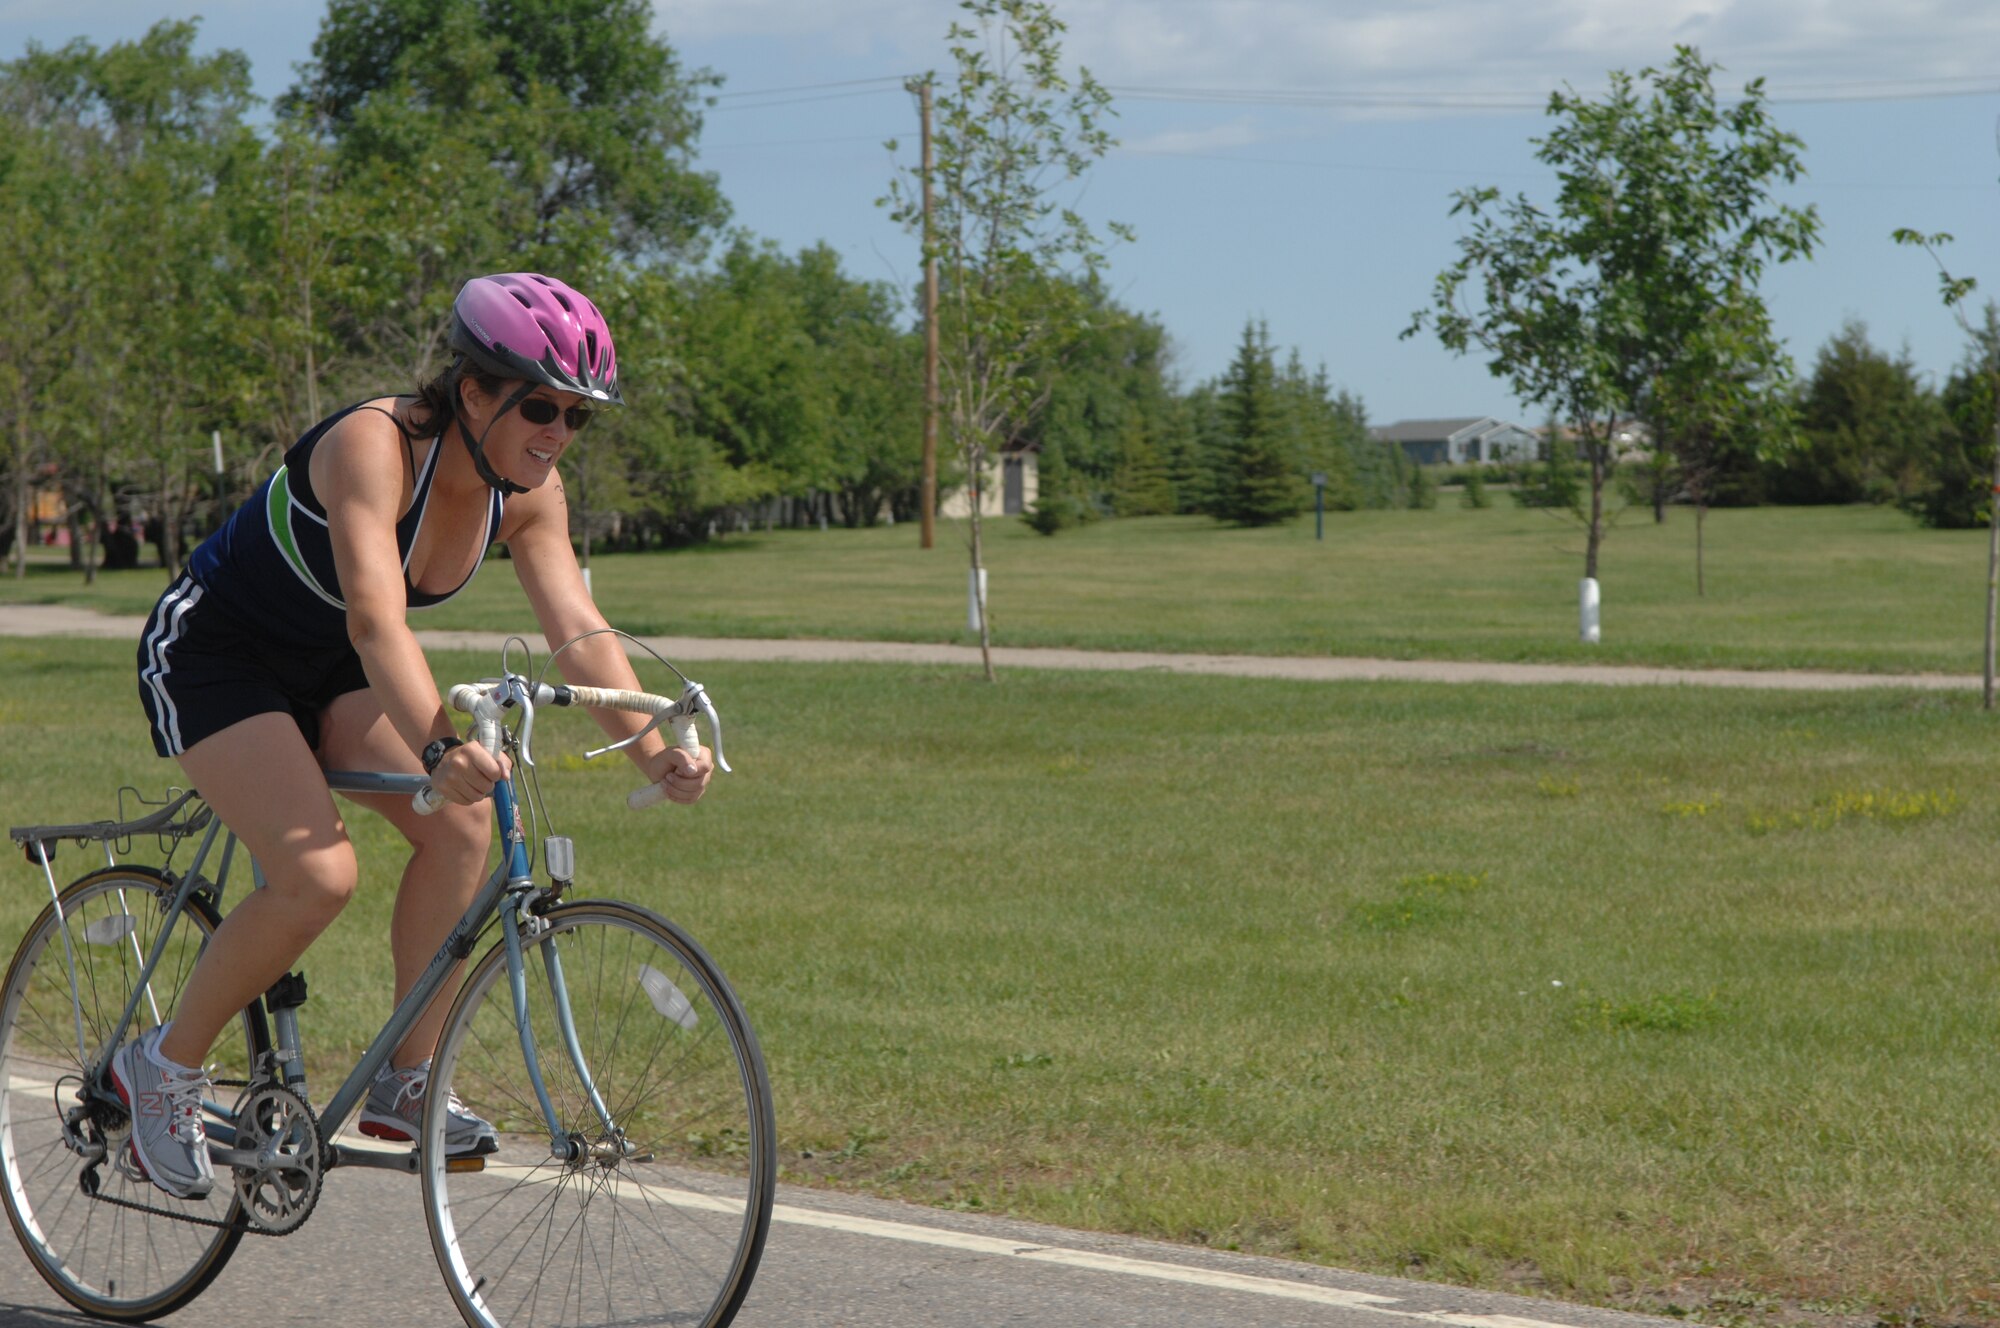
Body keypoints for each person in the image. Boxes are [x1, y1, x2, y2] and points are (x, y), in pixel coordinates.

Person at [123, 272, 713, 1199]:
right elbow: (376, 622)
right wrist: (440, 747)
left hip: (328, 673)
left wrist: (654, 742)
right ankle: (161, 1065)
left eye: (580, 418)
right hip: (217, 655)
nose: (558, 435)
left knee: (461, 828)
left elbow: (578, 632)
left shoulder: (528, 491)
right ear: (474, 391)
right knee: (319, 874)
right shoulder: (376, 444)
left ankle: (406, 1074)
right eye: (542, 407)